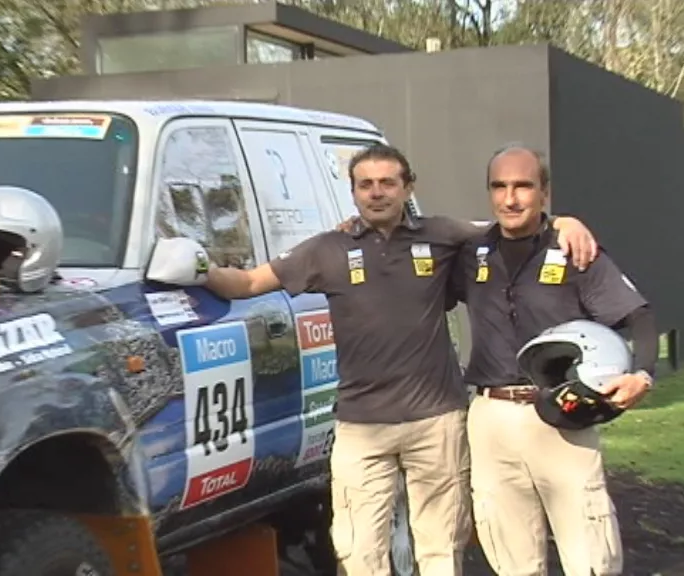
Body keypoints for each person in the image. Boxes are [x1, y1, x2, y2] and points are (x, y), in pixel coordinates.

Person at [149, 143, 598, 576]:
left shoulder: (443, 235)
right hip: (361, 427)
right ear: (353, 191)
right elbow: (247, 284)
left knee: (440, 548)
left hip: (436, 420)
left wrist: (565, 222)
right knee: (359, 552)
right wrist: (202, 269)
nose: (377, 192)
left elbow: (513, 222)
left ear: (408, 187)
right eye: (365, 184)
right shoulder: (327, 249)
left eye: (387, 182)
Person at [448, 142, 657, 576]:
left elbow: (638, 316)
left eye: (523, 186)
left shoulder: (574, 249)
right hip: (490, 418)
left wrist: (642, 375)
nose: (510, 198)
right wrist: (352, 229)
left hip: (561, 416)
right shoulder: (470, 252)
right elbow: (414, 233)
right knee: (510, 556)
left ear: (544, 191)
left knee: (590, 556)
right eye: (499, 186)